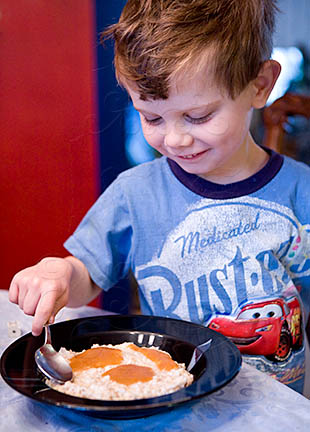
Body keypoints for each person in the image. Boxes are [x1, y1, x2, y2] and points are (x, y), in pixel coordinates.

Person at [9, 0, 310, 396]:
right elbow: (87, 275)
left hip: (273, 410)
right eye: (152, 117)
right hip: (168, 403)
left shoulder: (300, 191)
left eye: (198, 116)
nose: (174, 139)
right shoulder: (135, 194)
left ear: (259, 85)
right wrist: (63, 275)